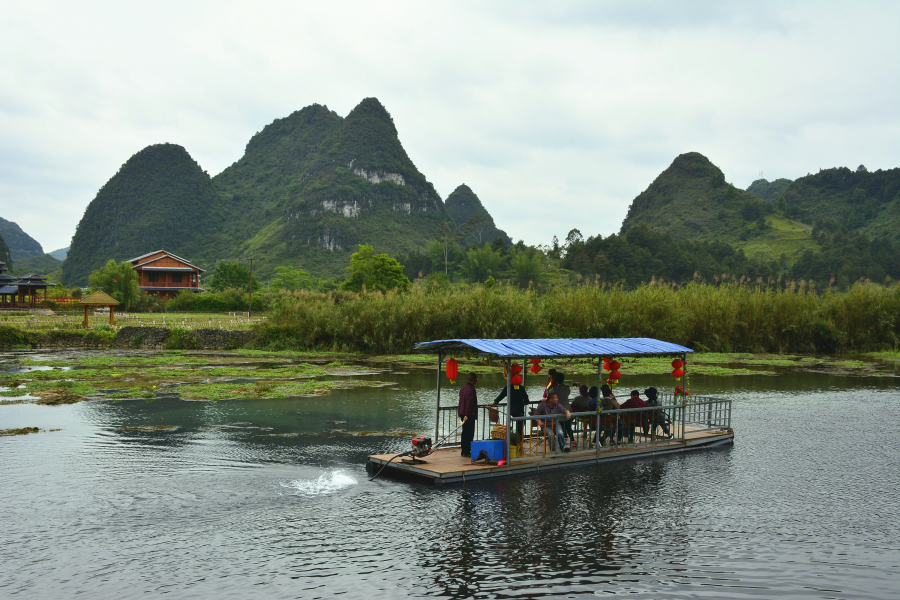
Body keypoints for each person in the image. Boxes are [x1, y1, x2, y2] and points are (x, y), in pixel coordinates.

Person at [490, 378, 530, 448]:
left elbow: (500, 396)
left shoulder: (508, 388)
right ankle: (518, 443)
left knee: (508, 427)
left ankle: (508, 442)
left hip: (510, 411)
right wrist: (523, 403)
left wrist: (494, 402)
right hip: (519, 411)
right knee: (519, 428)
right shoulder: (521, 388)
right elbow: (526, 400)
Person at [548, 372, 575, 448]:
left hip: (559, 410)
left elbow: (548, 393)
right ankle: (572, 441)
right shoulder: (567, 388)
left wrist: (552, 384)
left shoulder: (555, 389)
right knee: (568, 426)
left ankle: (561, 441)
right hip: (567, 409)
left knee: (559, 427)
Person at [458, 372, 478, 457]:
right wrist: (467, 415)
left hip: (462, 413)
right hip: (469, 415)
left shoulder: (463, 388)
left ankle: (464, 450)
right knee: (469, 433)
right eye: (476, 379)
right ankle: (467, 451)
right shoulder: (471, 390)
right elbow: (470, 404)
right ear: (473, 380)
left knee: (464, 432)